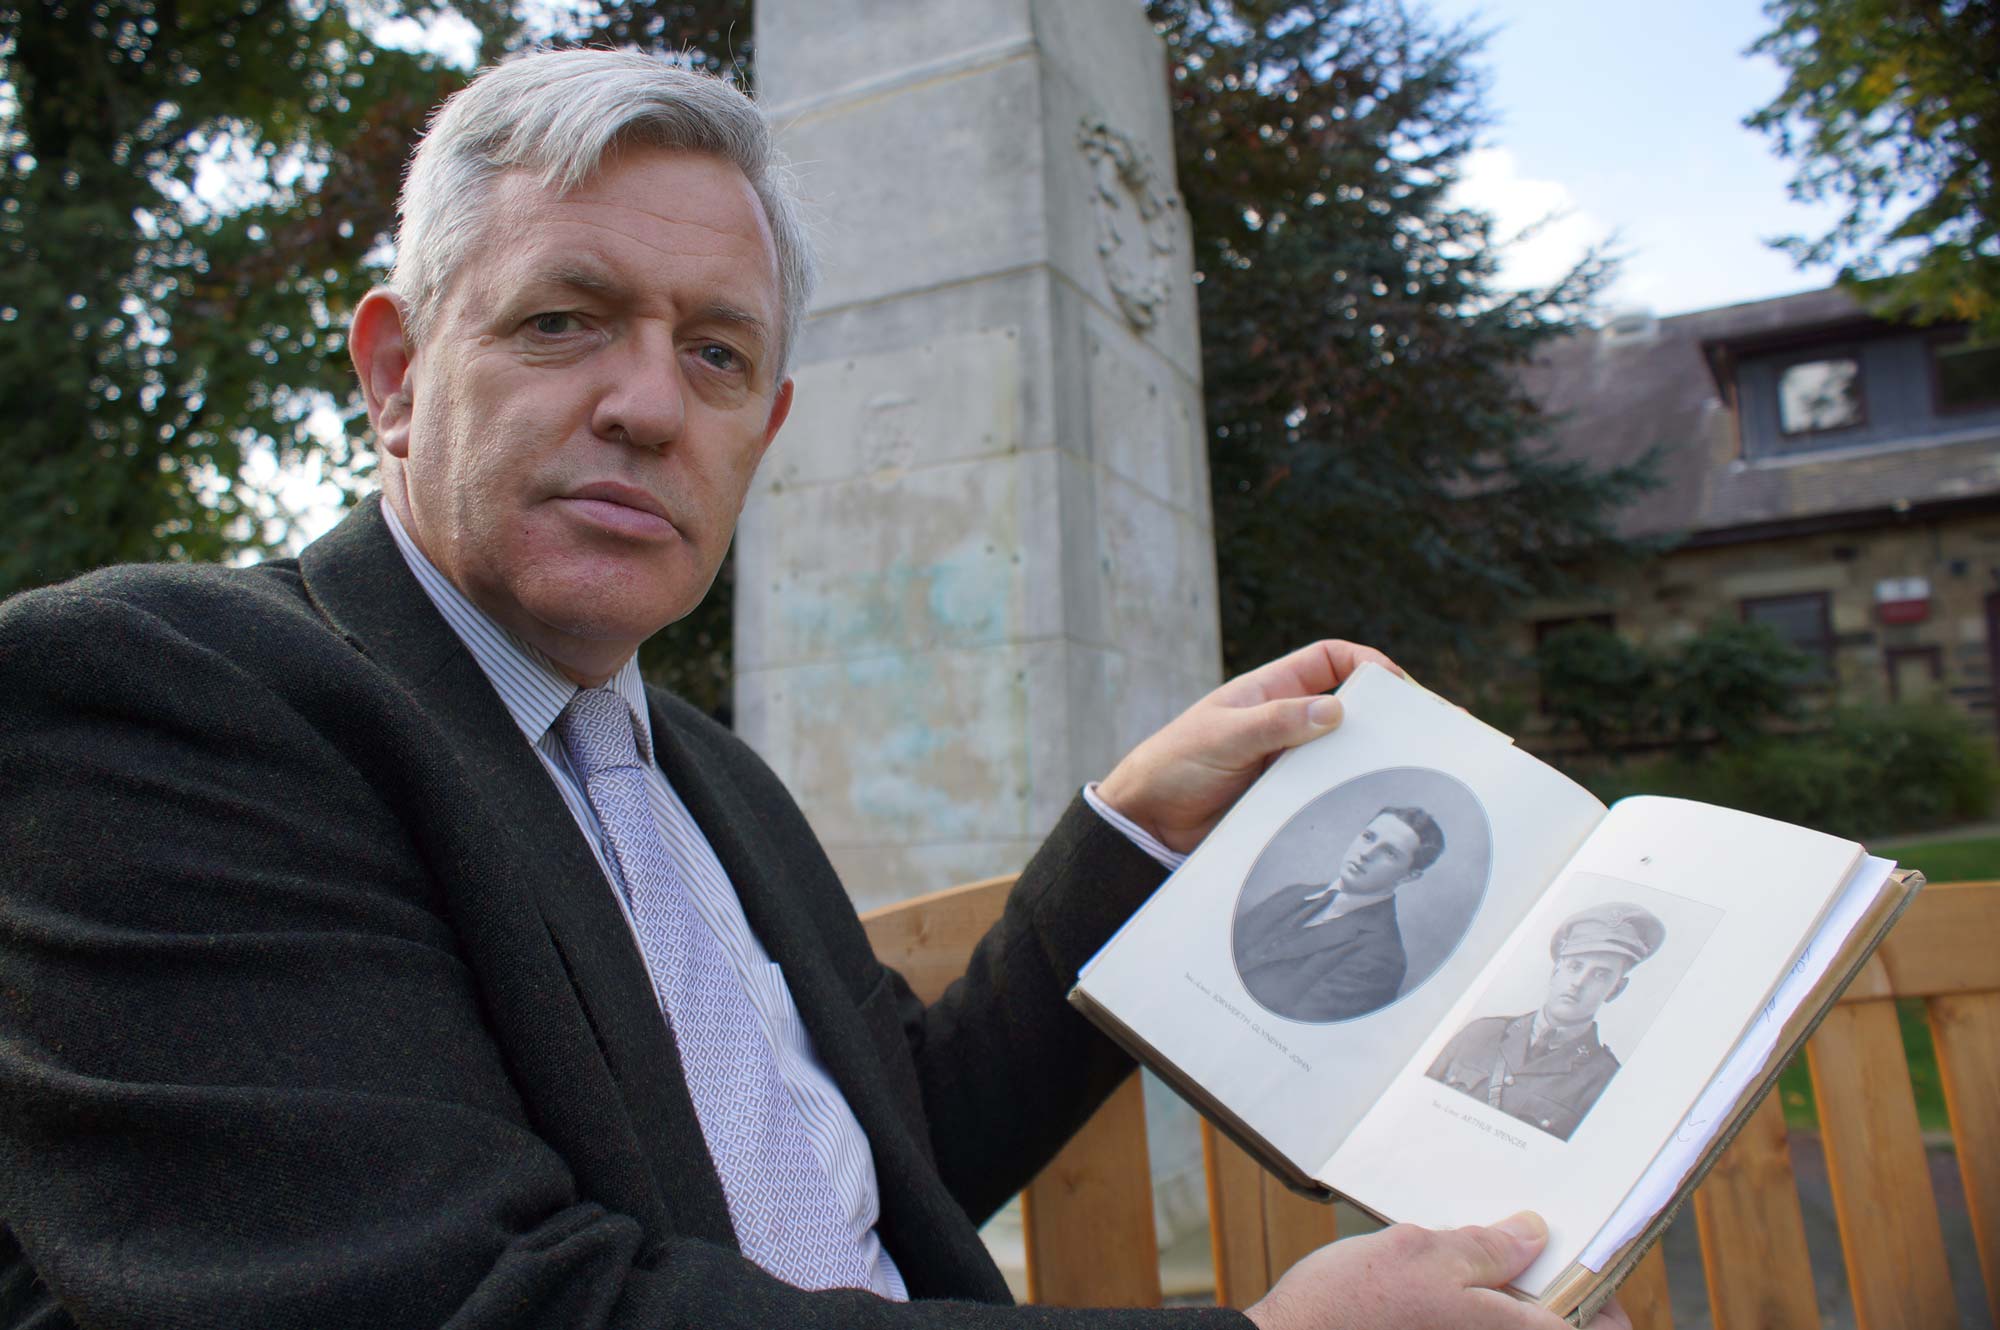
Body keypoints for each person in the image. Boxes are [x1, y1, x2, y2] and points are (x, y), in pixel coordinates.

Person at [0, 48, 1626, 1330]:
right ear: (396, 374)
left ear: (765, 435)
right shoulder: (165, 703)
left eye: (717, 354)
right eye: (565, 320)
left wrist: (1130, 831)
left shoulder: (706, 777)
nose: (649, 403)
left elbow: (893, 1146)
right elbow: (473, 1306)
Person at [1427, 903, 1667, 1142]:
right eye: (1574, 967)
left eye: (1600, 975)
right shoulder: (1480, 1033)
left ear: (1615, 990)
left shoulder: (1604, 1082)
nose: (1579, 982)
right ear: (1555, 972)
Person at [1232, 806, 1445, 1021]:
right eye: (1368, 837)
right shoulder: (1294, 893)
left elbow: (1291, 1033)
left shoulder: (1381, 958)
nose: (1366, 854)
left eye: (1389, 853)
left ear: (1409, 876)